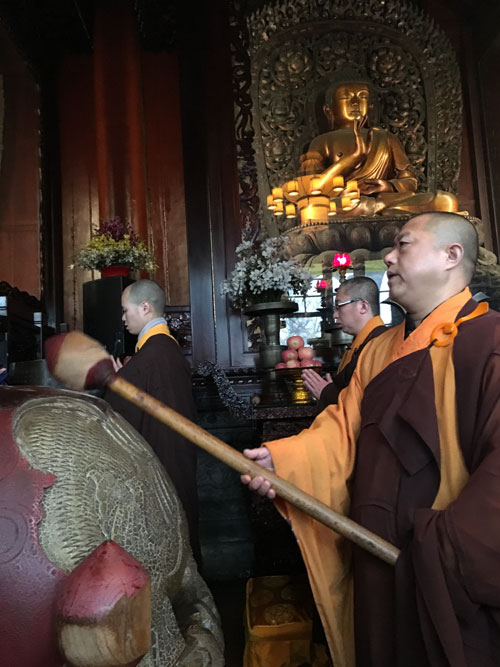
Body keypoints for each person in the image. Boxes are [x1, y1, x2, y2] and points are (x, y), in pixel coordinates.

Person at [241, 211, 500, 667]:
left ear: (451, 256)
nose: (389, 256)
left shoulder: (488, 342)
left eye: (403, 245)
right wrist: (283, 461)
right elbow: (343, 429)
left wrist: (444, 547)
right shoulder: (382, 348)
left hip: (434, 563)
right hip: (375, 549)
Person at [104, 279, 201, 564]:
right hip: (177, 455)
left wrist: (118, 382)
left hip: (163, 462)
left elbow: (117, 410)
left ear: (144, 307)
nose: (123, 319)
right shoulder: (162, 349)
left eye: (125, 311)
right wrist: (128, 376)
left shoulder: (152, 354)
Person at [300, 74, 458, 216]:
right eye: (346, 97)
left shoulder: (385, 137)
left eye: (362, 97)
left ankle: (384, 211)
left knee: (445, 201)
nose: (355, 103)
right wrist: (353, 158)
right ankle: (389, 215)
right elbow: (312, 188)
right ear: (329, 111)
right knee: (328, 208)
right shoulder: (322, 141)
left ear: (370, 107)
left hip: (386, 200)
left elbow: (410, 182)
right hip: (347, 202)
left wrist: (387, 186)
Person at [302, 277, 386, 410]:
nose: (335, 315)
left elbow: (368, 402)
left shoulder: (382, 344)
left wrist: (326, 392)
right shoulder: (360, 344)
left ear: (363, 306)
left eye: (339, 306)